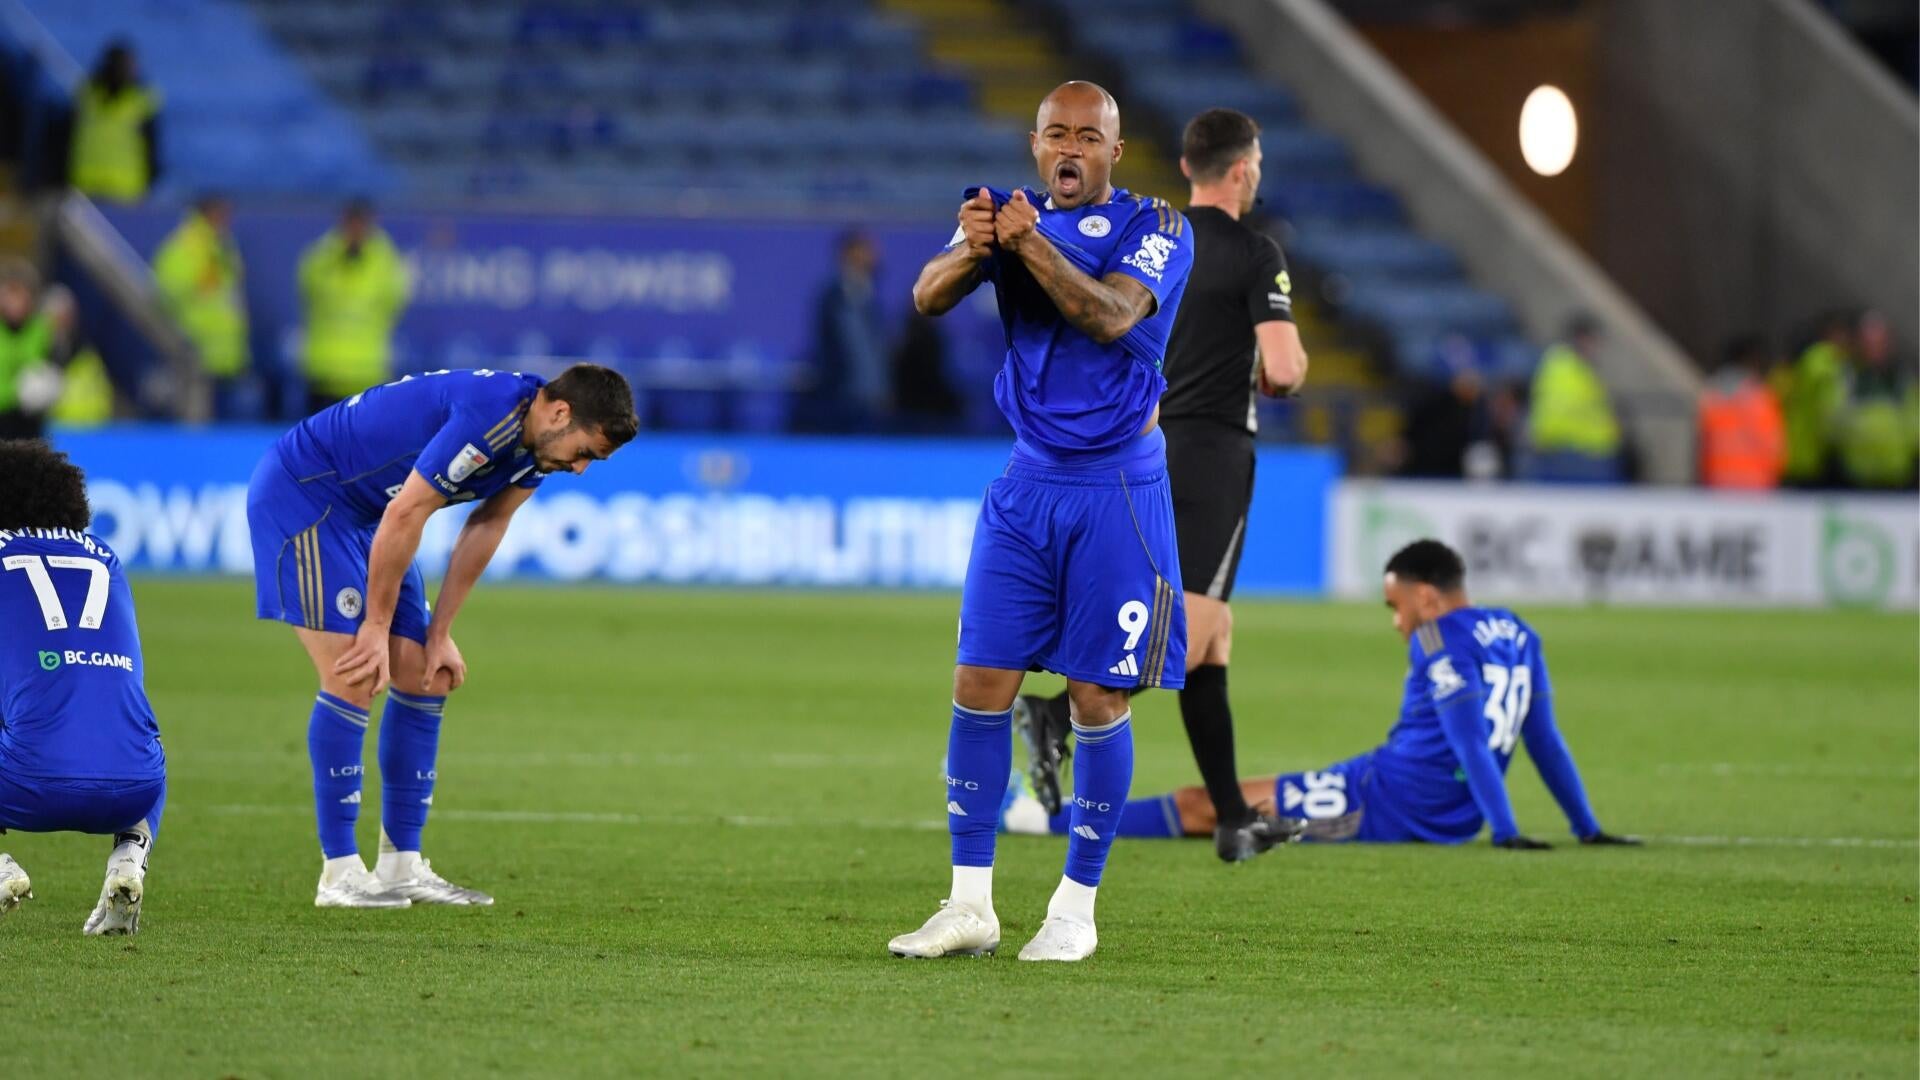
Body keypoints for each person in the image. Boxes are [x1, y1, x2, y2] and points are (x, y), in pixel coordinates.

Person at [886, 81, 1194, 963]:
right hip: (1026, 485)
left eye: (1086, 137)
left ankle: (1075, 908)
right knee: (980, 681)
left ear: (1113, 150)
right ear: (1034, 145)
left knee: (1098, 695)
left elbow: (1110, 316)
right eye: (1055, 134)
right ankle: (969, 904)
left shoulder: (1160, 229)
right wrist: (974, 247)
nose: (1070, 149)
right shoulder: (1008, 218)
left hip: (1119, 492)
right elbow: (927, 296)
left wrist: (1025, 248)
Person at [1010, 107, 1309, 864]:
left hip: (1141, 444)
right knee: (1199, 623)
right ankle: (1055, 713)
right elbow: (1283, 366)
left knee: (1214, 637)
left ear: (1186, 166)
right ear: (1243, 170)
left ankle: (1236, 817)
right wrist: (1282, 375)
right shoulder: (1254, 251)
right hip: (1212, 454)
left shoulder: (1150, 232)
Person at [246, 365, 637, 908]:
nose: (580, 468)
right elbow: (409, 511)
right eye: (585, 452)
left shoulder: (537, 445)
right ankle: (339, 872)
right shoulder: (490, 415)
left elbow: (487, 524)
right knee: (354, 673)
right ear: (561, 413)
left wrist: (441, 632)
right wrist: (376, 627)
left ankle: (400, 865)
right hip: (310, 495)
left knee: (427, 675)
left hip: (375, 515)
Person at [1003, 539, 1637, 850]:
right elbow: (1543, 739)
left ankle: (1038, 820)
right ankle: (1045, 816)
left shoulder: (1438, 636)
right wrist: (1588, 829)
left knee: (1211, 808)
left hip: (1383, 799)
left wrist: (1505, 833)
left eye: (1396, 606)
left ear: (1424, 595)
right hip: (1428, 803)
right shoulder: (1520, 634)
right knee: (1223, 807)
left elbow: (1471, 736)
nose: (1397, 623)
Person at [0, 440, 168, 934]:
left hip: (25, 786)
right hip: (136, 789)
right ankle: (129, 859)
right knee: (135, 724)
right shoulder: (109, 560)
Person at [298, 198, 411, 414]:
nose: (356, 230)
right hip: (325, 369)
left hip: (366, 371)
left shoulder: (384, 259)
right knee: (318, 443)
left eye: (360, 224)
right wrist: (339, 253)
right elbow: (310, 286)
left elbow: (395, 300)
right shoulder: (323, 255)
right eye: (352, 224)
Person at [153, 194, 250, 416]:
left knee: (222, 435)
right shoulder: (188, 244)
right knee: (199, 429)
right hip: (199, 353)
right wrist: (198, 285)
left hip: (226, 355)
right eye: (221, 213)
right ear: (207, 212)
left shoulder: (224, 245)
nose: (226, 219)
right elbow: (167, 289)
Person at [806, 230, 890, 431]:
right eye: (864, 250)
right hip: (841, 398)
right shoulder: (832, 299)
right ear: (847, 254)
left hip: (872, 401)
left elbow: (875, 351)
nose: (872, 256)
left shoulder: (870, 299)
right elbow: (833, 349)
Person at [1526, 316, 1621, 480]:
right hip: (1573, 455)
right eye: (1594, 340)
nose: (1597, 347)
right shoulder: (1564, 368)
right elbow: (1563, 415)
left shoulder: (1575, 368)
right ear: (1582, 339)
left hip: (1581, 453)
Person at [66, 41, 162, 204]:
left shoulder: (142, 99)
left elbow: (152, 141)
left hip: (126, 187)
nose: (128, 70)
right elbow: (68, 136)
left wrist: (152, 176)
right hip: (85, 183)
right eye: (124, 65)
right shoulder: (87, 95)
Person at [1837, 310, 1917, 489]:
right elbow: (1834, 423)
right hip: (1856, 477)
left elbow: (1914, 422)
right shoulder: (1850, 378)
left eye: (1879, 342)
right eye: (1869, 343)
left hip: (1898, 476)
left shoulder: (1901, 380)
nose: (1874, 349)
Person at [1697, 335, 1786, 489]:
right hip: (1757, 488)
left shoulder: (1711, 396)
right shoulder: (1761, 398)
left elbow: (1703, 446)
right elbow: (1775, 449)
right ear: (1752, 361)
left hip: (1718, 486)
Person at [1781, 310, 1854, 488]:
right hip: (1813, 453)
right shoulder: (1824, 363)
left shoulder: (1814, 361)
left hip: (1804, 450)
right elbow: (1829, 411)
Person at [0, 258, 62, 440]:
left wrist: (47, 388)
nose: (14, 301)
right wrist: (16, 392)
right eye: (10, 293)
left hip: (29, 423)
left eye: (20, 293)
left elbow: (54, 368)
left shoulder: (42, 330)